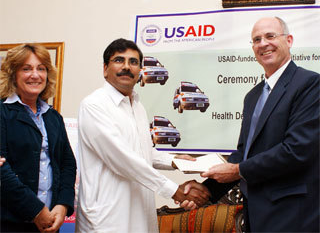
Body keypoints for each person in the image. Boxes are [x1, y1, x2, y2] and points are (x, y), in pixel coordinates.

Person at [182, 17, 319, 232]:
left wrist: (237, 170)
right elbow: (244, 154)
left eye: (270, 36)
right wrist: (206, 190)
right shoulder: (253, 96)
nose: (263, 43)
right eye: (256, 39)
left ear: (289, 40)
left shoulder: (310, 84)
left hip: (293, 214)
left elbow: (297, 150)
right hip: (255, 214)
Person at [75, 38, 209, 232]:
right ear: (105, 68)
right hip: (107, 219)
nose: (127, 67)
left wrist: (174, 160)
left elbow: (141, 149)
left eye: (133, 62)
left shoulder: (137, 106)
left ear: (140, 71)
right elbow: (122, 158)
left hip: (140, 214)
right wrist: (175, 191)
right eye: (119, 60)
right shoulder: (94, 105)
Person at [0, 43, 77, 232]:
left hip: (51, 222)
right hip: (10, 223)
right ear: (13, 75)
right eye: (26, 69)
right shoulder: (2, 112)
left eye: (41, 69)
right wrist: (36, 210)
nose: (35, 75)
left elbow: (67, 163)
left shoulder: (53, 117)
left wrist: (63, 205)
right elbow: (1, 169)